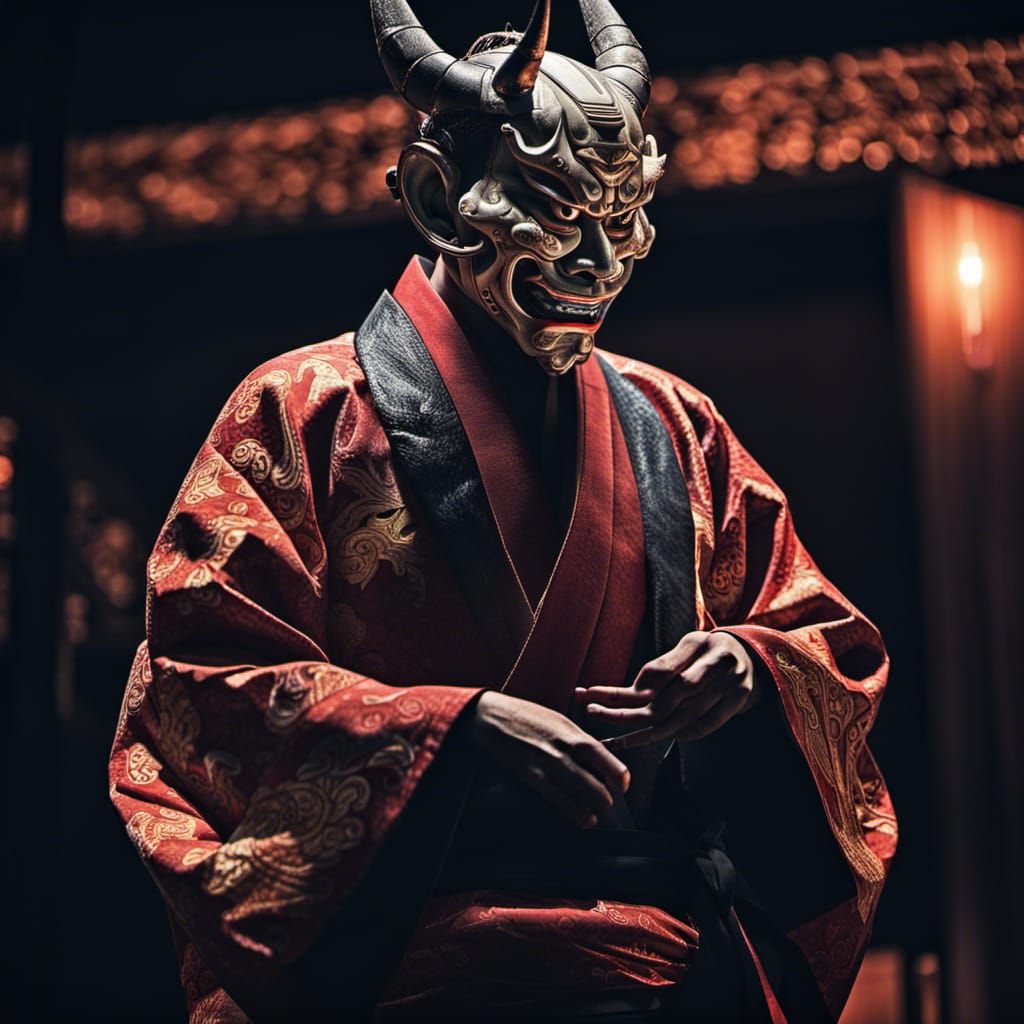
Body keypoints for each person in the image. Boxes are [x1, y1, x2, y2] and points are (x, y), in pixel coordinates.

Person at [109, 2, 896, 1020]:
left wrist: (750, 665)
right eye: (556, 214)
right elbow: (196, 687)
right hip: (409, 958)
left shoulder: (676, 422)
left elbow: (825, 640)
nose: (598, 263)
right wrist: (448, 729)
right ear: (439, 198)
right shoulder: (298, 413)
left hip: (662, 957)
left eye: (621, 222)